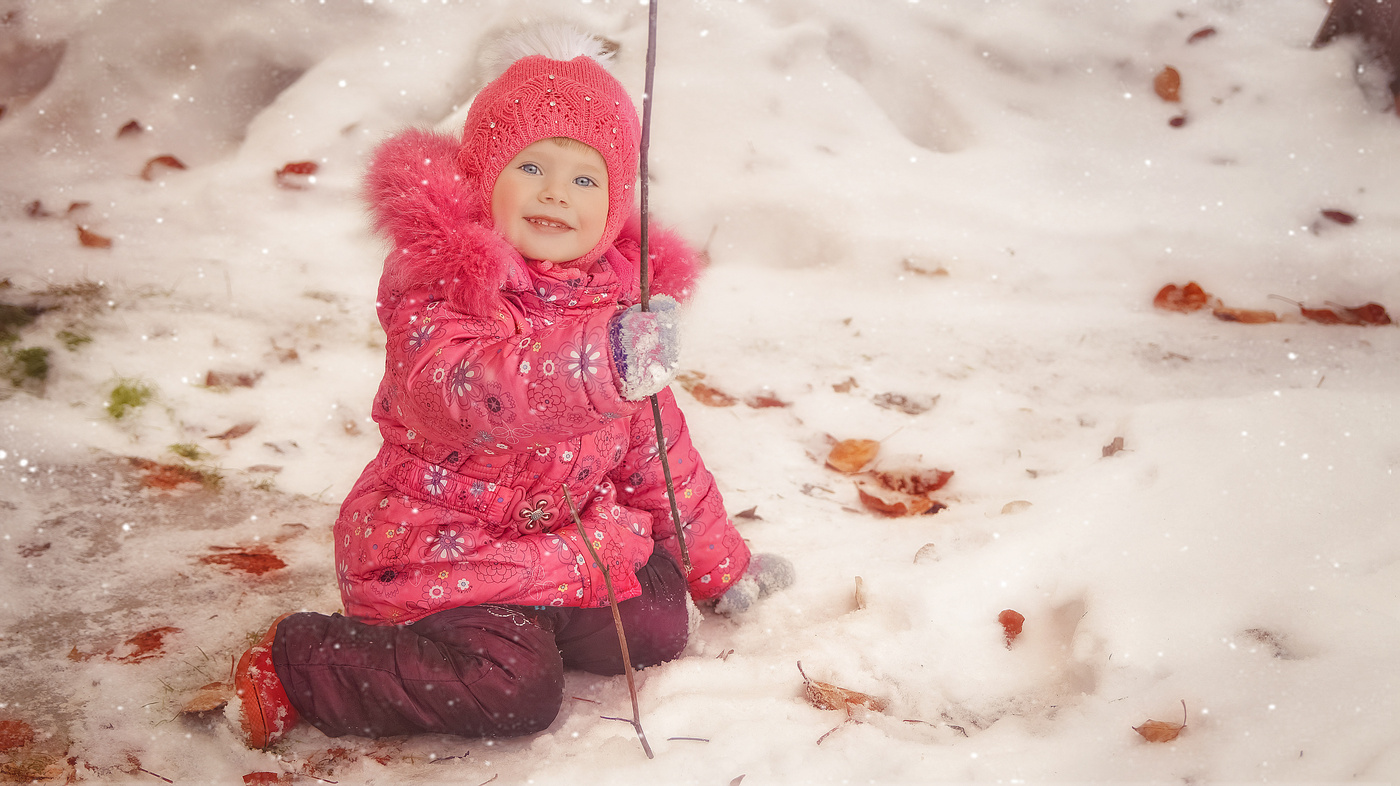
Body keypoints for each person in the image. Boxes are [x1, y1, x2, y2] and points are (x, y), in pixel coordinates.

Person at [229, 25, 794, 749]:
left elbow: (660, 455)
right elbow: (458, 392)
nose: (557, 192)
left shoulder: (617, 310)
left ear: (616, 206)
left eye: (586, 179)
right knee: (513, 691)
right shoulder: (443, 288)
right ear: (484, 175)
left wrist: (721, 570)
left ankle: (530, 620)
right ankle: (303, 662)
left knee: (657, 621)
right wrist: (599, 365)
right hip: (441, 550)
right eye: (532, 166)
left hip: (555, 541)